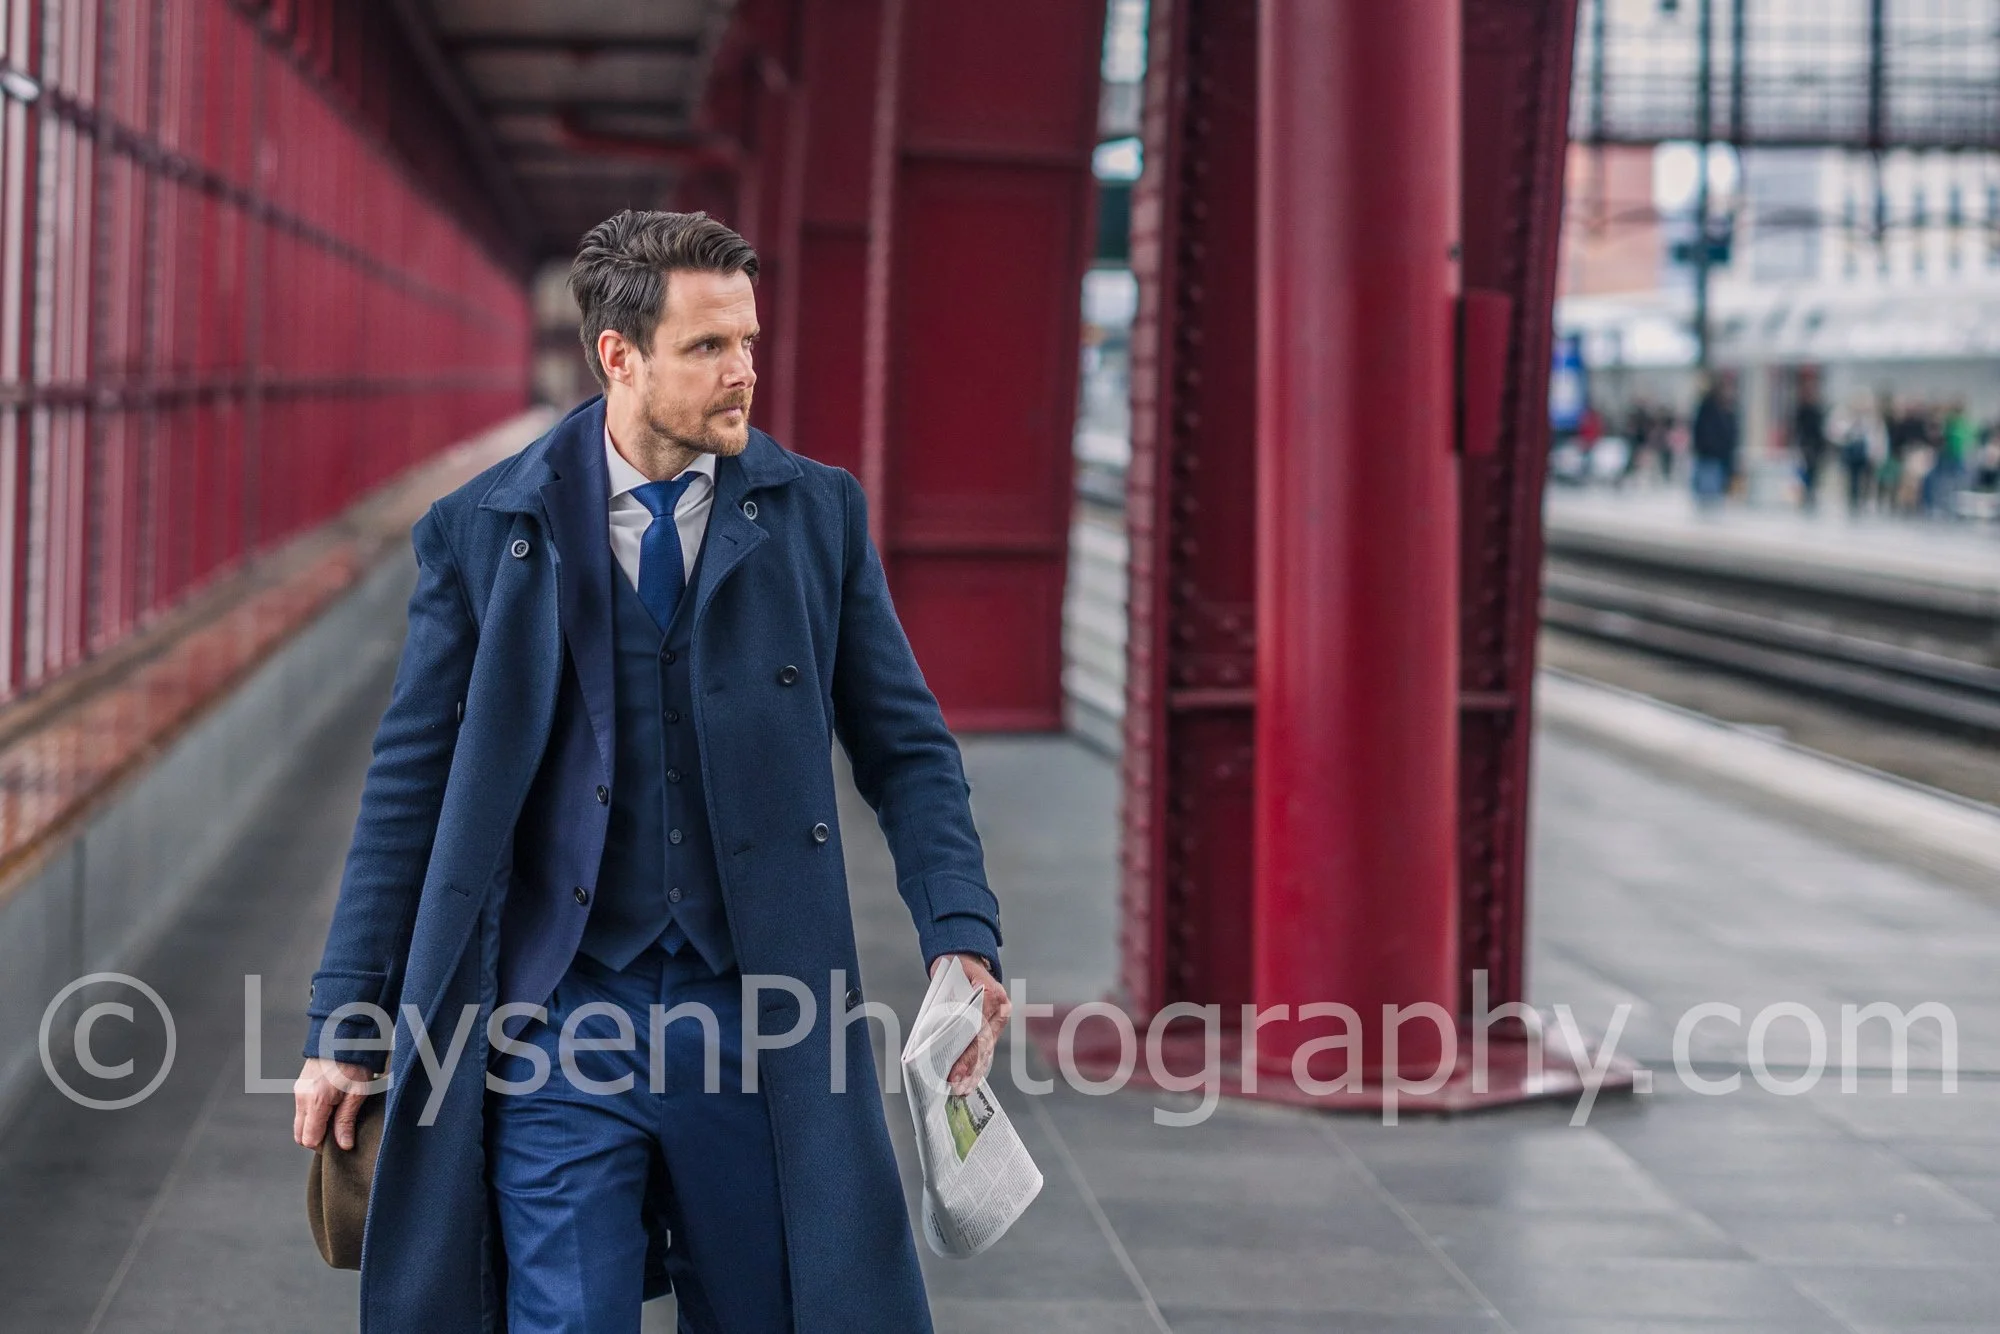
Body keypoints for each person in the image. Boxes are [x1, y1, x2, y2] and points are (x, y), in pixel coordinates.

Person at [292, 210, 1010, 1333]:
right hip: (558, 1024)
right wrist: (346, 1021)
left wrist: (959, 931)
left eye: (748, 340)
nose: (744, 372)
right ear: (618, 355)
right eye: (708, 346)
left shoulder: (815, 515)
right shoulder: (482, 530)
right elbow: (407, 791)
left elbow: (908, 749)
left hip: (761, 1018)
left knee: (771, 1311)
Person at [1690, 373, 1739, 510]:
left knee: (1716, 497)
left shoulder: (1729, 409)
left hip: (1722, 458)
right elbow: (1702, 432)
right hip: (1710, 457)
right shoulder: (1709, 408)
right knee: (1709, 498)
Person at [1791, 378, 1828, 512]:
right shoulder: (1802, 409)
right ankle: (1806, 495)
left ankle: (1811, 494)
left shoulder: (1818, 409)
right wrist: (1800, 445)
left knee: (1815, 472)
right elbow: (1798, 429)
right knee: (1806, 472)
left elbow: (1821, 430)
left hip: (1817, 447)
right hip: (1807, 446)